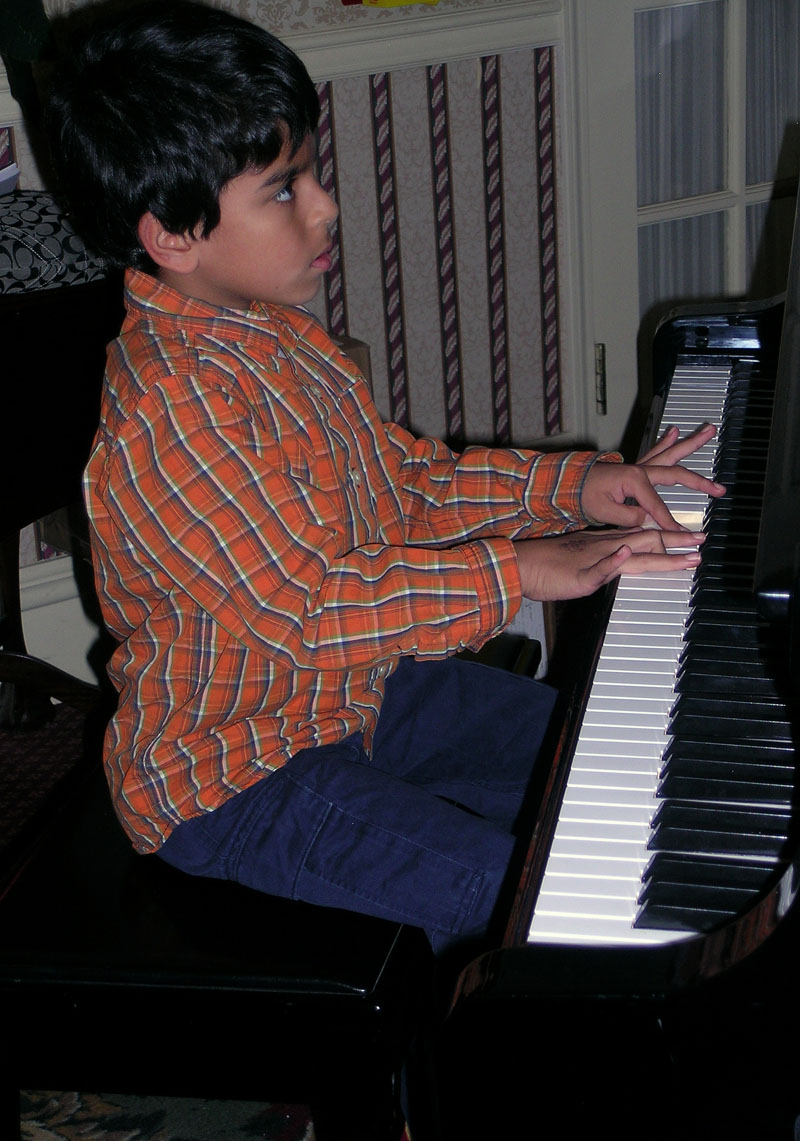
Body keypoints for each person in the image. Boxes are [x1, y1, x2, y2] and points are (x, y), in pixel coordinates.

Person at [46, 0, 723, 957]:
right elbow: (312, 609)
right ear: (173, 236)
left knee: (610, 755)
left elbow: (403, 484)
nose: (323, 205)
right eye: (283, 189)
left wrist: (568, 489)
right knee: (518, 899)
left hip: (357, 696)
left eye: (310, 172)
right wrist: (521, 570)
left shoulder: (274, 337)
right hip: (237, 777)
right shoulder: (174, 414)